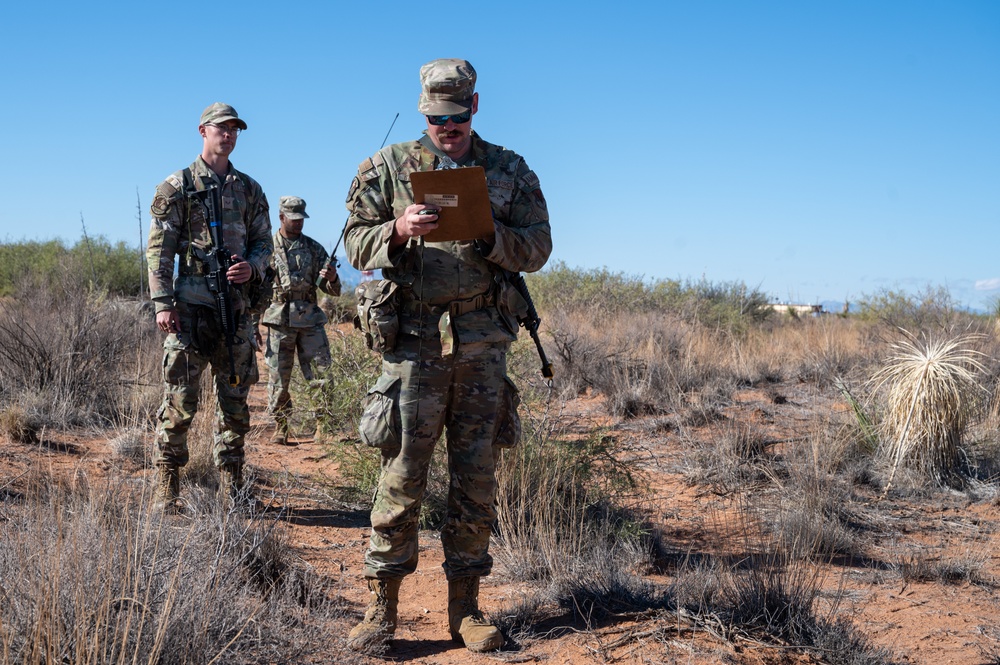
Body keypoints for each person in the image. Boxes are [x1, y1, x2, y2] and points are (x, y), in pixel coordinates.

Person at [343, 58, 551, 652]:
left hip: (482, 346)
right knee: (402, 474)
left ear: (474, 107)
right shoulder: (386, 168)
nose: (449, 128)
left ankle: (468, 611)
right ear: (422, 111)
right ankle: (381, 608)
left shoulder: (508, 169)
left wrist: (494, 238)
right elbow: (355, 238)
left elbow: (539, 246)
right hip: (414, 344)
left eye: (457, 117)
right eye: (437, 119)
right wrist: (399, 229)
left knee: (475, 478)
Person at [146, 102, 273, 512]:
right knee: (180, 403)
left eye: (235, 129)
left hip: (234, 310)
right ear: (203, 130)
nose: (229, 134)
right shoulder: (178, 185)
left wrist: (251, 269)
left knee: (235, 404)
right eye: (222, 128)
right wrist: (163, 303)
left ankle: (233, 490)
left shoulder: (250, 189)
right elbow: (159, 251)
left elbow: (264, 244)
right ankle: (168, 491)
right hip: (190, 310)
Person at [260, 196, 340, 445]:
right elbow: (254, 289)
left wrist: (333, 276)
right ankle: (281, 426)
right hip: (279, 320)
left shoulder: (315, 249)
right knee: (278, 378)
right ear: (281, 217)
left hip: (309, 319)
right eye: (293, 219)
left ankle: (323, 425)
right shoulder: (265, 249)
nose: (298, 224)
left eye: (301, 220)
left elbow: (333, 290)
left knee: (320, 374)